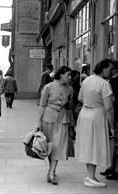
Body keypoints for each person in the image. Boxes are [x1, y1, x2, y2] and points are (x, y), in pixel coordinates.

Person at [75, 59, 114, 188]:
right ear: (103, 68)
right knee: (95, 146)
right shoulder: (104, 84)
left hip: (85, 114)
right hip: (97, 116)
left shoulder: (86, 80)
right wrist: (112, 126)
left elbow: (80, 98)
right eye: (109, 69)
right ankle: (90, 177)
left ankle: (90, 175)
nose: (111, 72)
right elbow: (108, 108)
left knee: (88, 145)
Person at [38, 66, 73, 185]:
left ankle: (51, 173)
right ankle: (51, 170)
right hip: (47, 119)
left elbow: (69, 108)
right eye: (68, 75)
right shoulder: (48, 87)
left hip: (62, 120)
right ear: (61, 74)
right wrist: (38, 122)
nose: (70, 77)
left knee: (58, 146)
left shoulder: (70, 89)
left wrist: (72, 123)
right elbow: (42, 105)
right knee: (49, 147)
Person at [101, 60, 118, 180]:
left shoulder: (112, 81)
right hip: (114, 114)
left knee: (115, 143)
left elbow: (112, 100)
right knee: (114, 143)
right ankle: (112, 167)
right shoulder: (110, 81)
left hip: (115, 114)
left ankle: (114, 169)